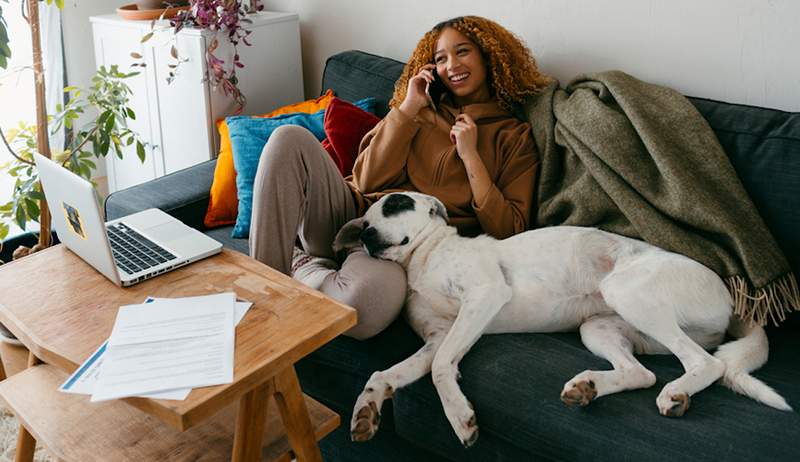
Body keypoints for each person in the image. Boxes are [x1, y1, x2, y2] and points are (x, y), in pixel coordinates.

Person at [248, 16, 551, 339]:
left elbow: (509, 230)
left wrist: (471, 156)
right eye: (441, 58)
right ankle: (259, 296)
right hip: (347, 213)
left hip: (395, 251)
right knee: (287, 138)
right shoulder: (418, 112)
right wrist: (407, 110)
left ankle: (304, 266)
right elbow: (364, 180)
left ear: (489, 55)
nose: (452, 65)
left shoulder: (514, 136)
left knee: (363, 310)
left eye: (463, 52)